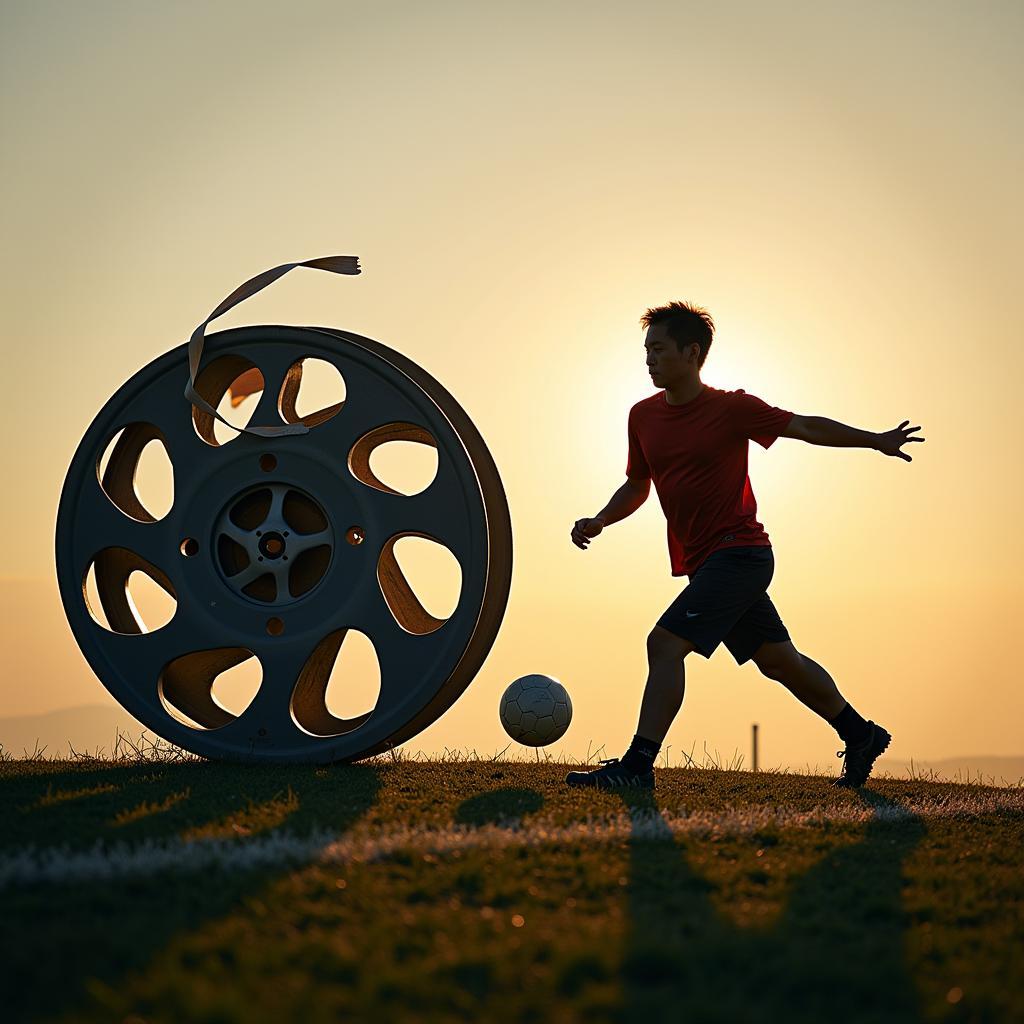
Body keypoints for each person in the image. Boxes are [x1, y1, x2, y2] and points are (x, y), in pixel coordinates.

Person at [565, 301, 925, 791]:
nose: (648, 360)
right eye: (645, 350)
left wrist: (873, 439)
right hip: (705, 563)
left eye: (658, 349)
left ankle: (636, 767)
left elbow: (806, 427)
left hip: (741, 554)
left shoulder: (731, 408)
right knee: (780, 662)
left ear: (692, 353)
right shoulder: (642, 416)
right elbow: (637, 483)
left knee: (665, 644)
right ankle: (859, 734)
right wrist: (601, 519)